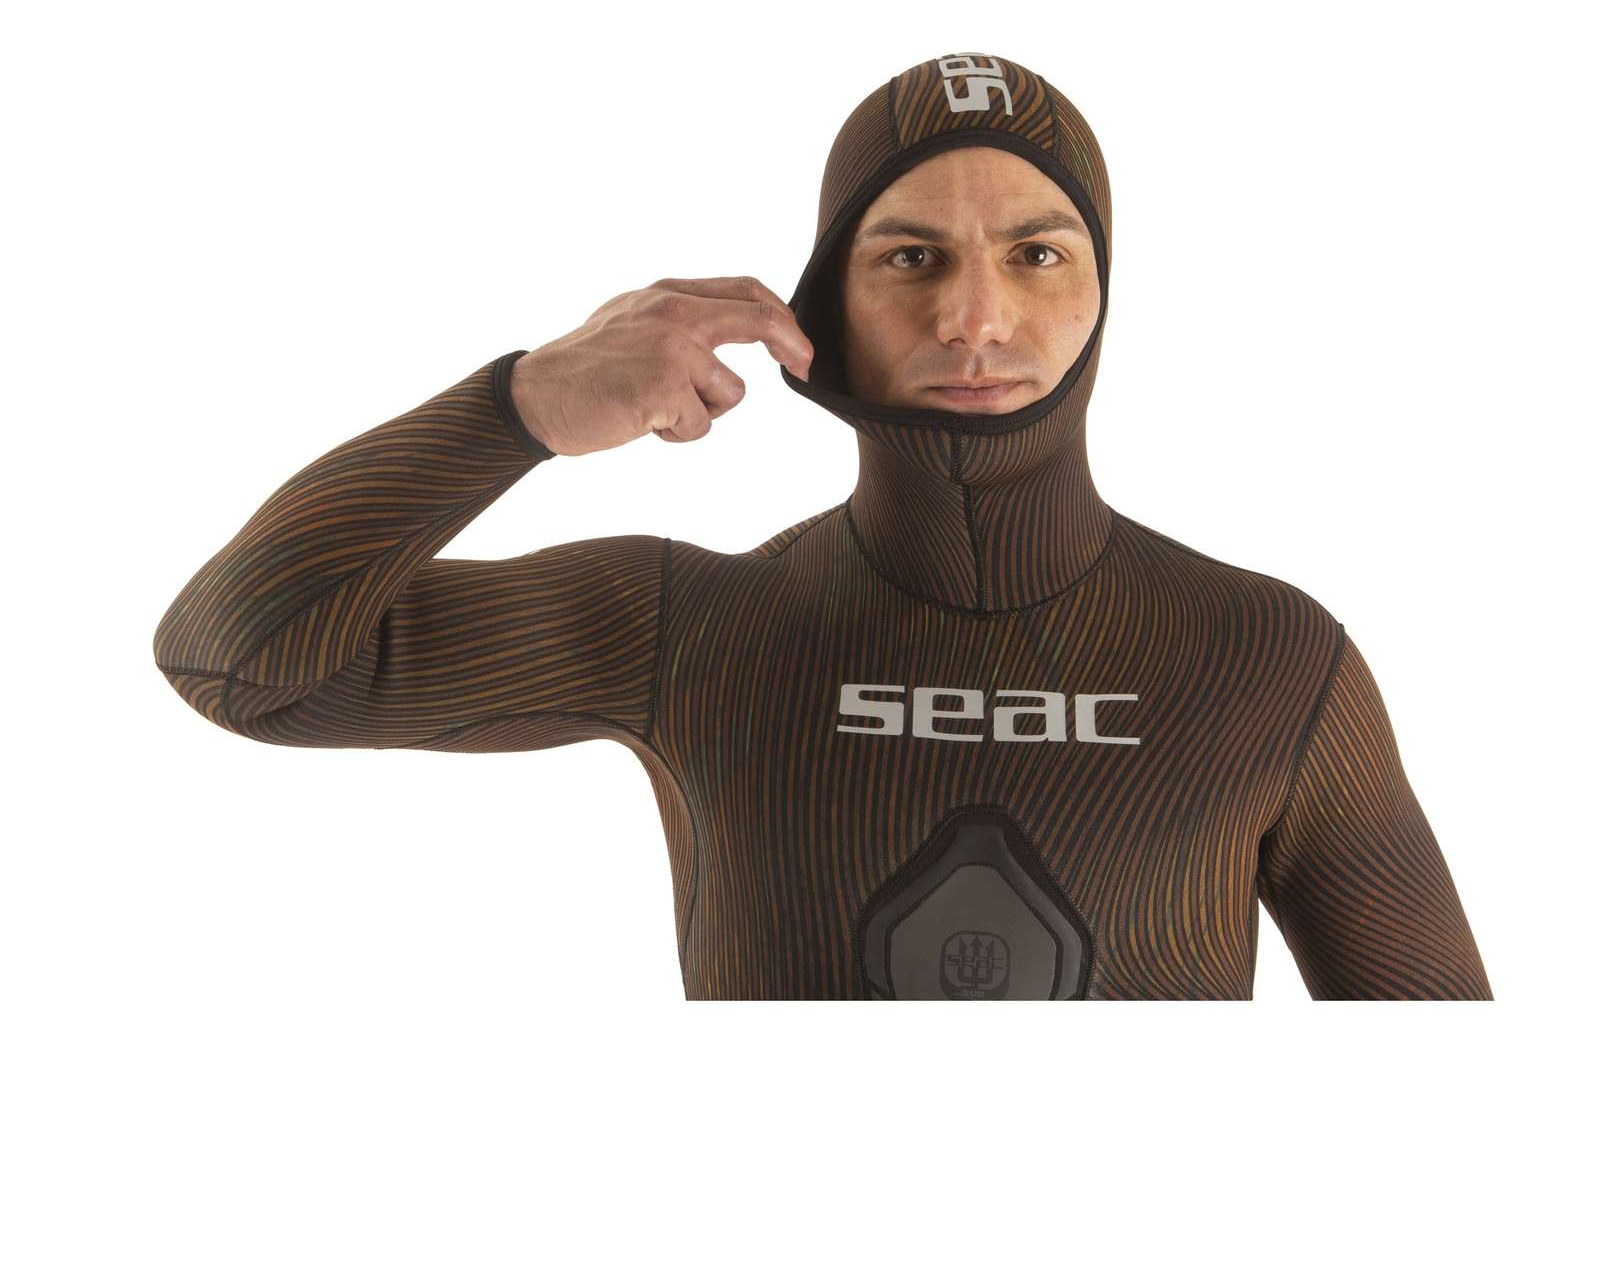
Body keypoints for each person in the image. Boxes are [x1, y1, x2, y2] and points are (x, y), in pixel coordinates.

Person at [153, 51, 1493, 1000]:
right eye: (911, 257)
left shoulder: (1269, 658)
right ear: (821, 307)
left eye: (1037, 253)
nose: (974, 320)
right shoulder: (691, 630)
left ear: (1103, 290)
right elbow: (238, 661)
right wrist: (519, 407)